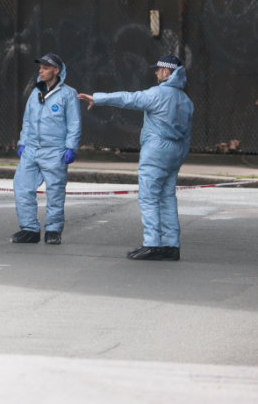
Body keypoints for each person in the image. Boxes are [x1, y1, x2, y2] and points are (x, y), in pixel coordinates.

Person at [78, 54, 193, 261]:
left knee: (149, 198)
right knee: (167, 198)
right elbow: (187, 133)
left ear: (166, 72)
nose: (156, 73)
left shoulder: (157, 94)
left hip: (156, 151)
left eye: (158, 70)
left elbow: (128, 99)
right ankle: (171, 245)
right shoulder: (186, 101)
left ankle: (152, 243)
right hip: (176, 152)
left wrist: (99, 98)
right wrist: (181, 155)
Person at [13, 53, 82, 245]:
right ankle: (29, 229)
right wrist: (22, 142)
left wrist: (70, 147)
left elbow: (74, 123)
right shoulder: (36, 93)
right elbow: (27, 120)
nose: (41, 71)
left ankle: (53, 229)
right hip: (32, 149)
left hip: (55, 151)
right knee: (22, 187)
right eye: (40, 68)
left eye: (45, 68)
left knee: (55, 191)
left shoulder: (68, 94)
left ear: (56, 71)